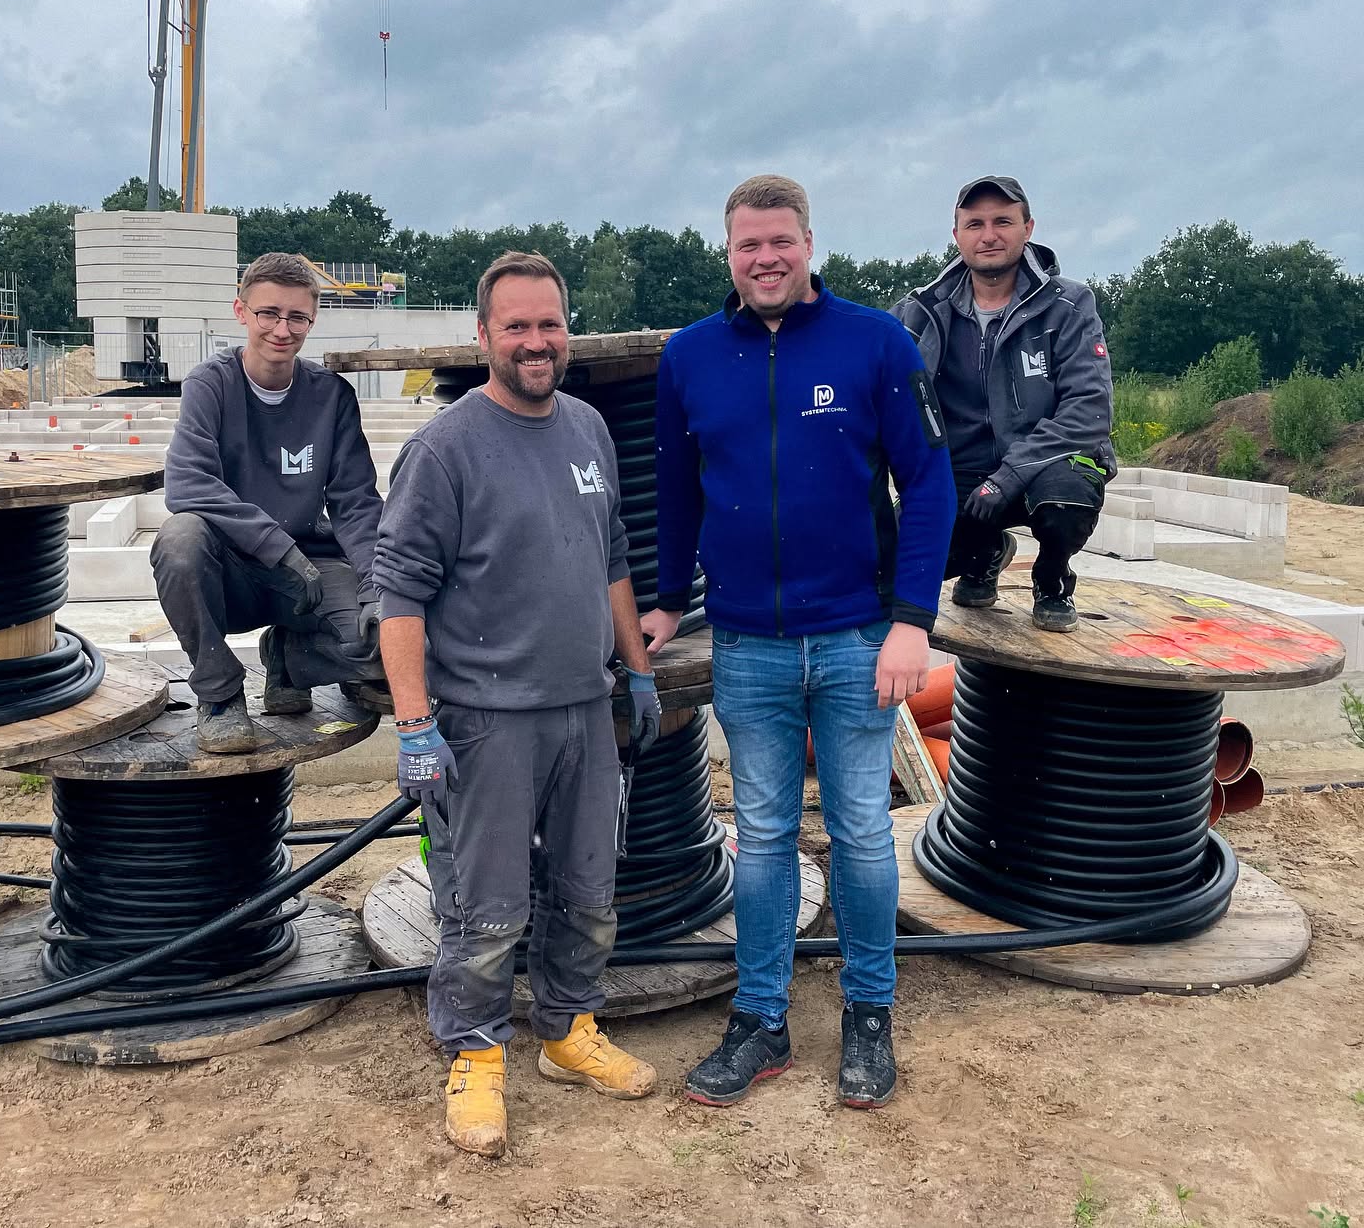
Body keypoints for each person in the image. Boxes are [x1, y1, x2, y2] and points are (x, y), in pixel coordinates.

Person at [643, 175, 955, 1111]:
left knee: (861, 830)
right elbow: (676, 493)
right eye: (748, 245)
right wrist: (663, 604)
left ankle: (868, 1014)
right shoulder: (691, 356)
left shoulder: (875, 344)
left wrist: (912, 619)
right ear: (727, 253)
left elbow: (930, 483)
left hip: (860, 637)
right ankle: (761, 1020)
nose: (765, 259)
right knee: (766, 835)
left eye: (781, 242)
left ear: (809, 243)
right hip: (749, 645)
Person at [373, 251, 664, 1160]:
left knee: (589, 891)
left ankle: (570, 1032)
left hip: (583, 708)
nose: (537, 342)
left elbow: (610, 554)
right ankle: (475, 1055)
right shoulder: (447, 449)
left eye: (550, 325)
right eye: (518, 327)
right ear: (484, 336)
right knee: (485, 905)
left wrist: (636, 667)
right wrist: (417, 724)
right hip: (485, 720)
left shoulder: (586, 428)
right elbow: (400, 594)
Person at [151, 251, 389, 753]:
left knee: (386, 649)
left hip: (311, 570)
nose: (282, 329)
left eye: (296, 317)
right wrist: (277, 548)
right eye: (269, 314)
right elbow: (187, 483)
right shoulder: (210, 385)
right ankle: (219, 695)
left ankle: (288, 655)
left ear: (312, 319)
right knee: (180, 539)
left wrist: (377, 587)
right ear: (241, 312)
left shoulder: (331, 397)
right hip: (233, 570)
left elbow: (357, 504)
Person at [892, 176, 1116, 632]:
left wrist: (1010, 475)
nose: (988, 234)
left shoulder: (1069, 305)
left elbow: (1089, 407)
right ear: (957, 236)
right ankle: (985, 553)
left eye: (1003, 221)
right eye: (974, 224)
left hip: (1045, 465)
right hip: (961, 468)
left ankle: (1052, 578)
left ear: (1028, 228)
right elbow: (878, 395)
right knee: (891, 554)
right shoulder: (921, 311)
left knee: (1064, 499)